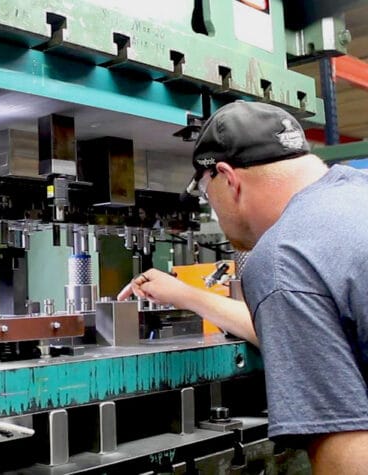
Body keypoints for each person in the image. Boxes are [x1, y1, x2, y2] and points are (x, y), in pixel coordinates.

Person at [116, 101, 368, 473]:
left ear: (228, 178)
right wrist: (186, 295)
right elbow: (310, 329)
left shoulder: (283, 253)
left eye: (206, 194)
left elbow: (346, 446)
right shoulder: (356, 194)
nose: (212, 207)